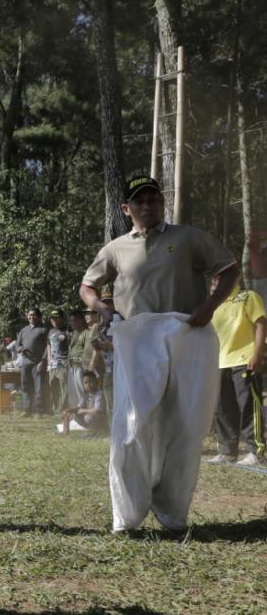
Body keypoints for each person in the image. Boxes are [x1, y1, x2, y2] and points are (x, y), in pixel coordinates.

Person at [81, 173, 239, 533]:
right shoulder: (116, 248)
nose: (147, 205)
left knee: (185, 423)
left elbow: (228, 268)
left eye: (153, 198)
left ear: (161, 202)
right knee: (132, 424)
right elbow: (87, 286)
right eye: (139, 201)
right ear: (126, 208)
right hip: (137, 339)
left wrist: (211, 305)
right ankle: (128, 514)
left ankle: (172, 513)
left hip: (187, 334)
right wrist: (104, 310)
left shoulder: (186, 238)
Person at [207, 273, 267, 466]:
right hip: (219, 363)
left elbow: (261, 324)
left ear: (236, 277)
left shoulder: (248, 296)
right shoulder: (214, 303)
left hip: (244, 360)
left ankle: (256, 452)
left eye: (221, 276)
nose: (216, 280)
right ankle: (227, 451)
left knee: (249, 406)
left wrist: (258, 353)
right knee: (222, 408)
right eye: (214, 278)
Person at [15, 308, 49, 418]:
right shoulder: (23, 330)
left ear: (38, 317)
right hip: (25, 363)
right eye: (29, 315)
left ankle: (38, 411)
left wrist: (43, 361)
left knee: (38, 387)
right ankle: (27, 410)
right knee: (25, 386)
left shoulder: (43, 330)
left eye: (34, 315)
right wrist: (19, 349)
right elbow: (17, 345)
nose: (31, 317)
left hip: (37, 363)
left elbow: (48, 347)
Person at [59, 370, 107, 434]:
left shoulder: (99, 394)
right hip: (90, 417)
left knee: (87, 417)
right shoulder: (85, 395)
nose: (88, 385)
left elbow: (98, 410)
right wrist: (69, 410)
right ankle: (89, 428)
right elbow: (79, 408)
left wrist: (83, 411)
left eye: (91, 382)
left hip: (100, 418)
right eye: (86, 383)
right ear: (83, 385)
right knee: (74, 415)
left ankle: (97, 429)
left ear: (96, 383)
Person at [45, 309, 69, 415]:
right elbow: (48, 344)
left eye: (57, 317)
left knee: (63, 387)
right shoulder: (50, 331)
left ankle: (62, 409)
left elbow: (71, 346)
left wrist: (68, 362)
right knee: (52, 386)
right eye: (52, 318)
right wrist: (49, 357)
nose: (54, 320)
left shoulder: (67, 329)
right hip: (52, 364)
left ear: (62, 318)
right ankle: (55, 408)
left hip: (63, 363)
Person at [66, 310, 89, 409]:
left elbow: (87, 350)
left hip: (81, 365)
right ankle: (75, 413)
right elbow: (70, 350)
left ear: (80, 320)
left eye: (73, 321)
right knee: (72, 391)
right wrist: (66, 366)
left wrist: (85, 365)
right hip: (71, 365)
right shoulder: (74, 333)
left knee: (81, 390)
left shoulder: (86, 332)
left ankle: (83, 410)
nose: (71, 323)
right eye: (70, 321)